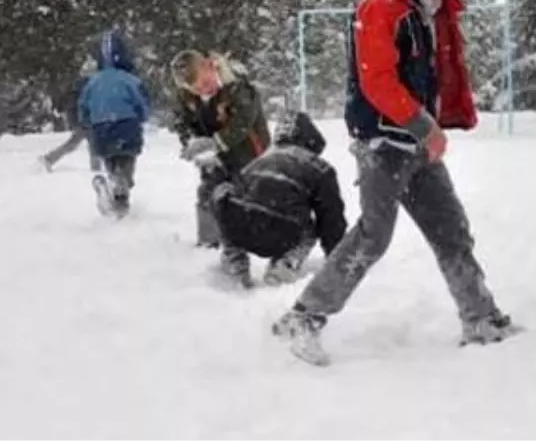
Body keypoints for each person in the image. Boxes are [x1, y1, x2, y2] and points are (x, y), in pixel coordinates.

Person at [272, 0, 516, 366]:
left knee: (451, 230)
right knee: (373, 236)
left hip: (417, 147)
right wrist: (425, 125)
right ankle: (303, 317)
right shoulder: (381, 9)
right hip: (382, 146)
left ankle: (480, 317)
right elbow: (377, 81)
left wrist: (436, 123)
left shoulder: (423, 11)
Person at [210, 110, 347, 289]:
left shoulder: (259, 161)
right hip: (282, 232)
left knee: (227, 198)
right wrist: (337, 257)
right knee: (311, 227)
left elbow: (234, 191)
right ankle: (283, 267)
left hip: (240, 228)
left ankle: (235, 261)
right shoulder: (320, 168)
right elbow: (331, 220)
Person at [170, 50, 271, 248]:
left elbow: (243, 122)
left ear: (209, 65)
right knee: (208, 192)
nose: (203, 92)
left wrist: (215, 143)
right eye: (196, 91)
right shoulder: (187, 96)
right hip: (214, 156)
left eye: (206, 85)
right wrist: (192, 143)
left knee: (245, 197)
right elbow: (183, 122)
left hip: (249, 152)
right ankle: (209, 244)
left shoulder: (238, 86)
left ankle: (250, 243)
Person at [77, 30, 150, 216]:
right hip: (126, 124)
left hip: (101, 127)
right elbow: (140, 102)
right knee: (127, 159)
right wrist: (142, 116)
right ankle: (121, 184)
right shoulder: (129, 80)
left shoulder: (93, 82)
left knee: (109, 158)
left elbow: (83, 105)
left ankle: (113, 190)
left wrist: (86, 121)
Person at [40, 57, 100, 172]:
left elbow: (68, 100)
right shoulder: (86, 86)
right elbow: (76, 102)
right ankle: (96, 169)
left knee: (75, 144)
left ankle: (49, 159)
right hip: (84, 120)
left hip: (82, 119)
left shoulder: (79, 84)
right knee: (91, 144)